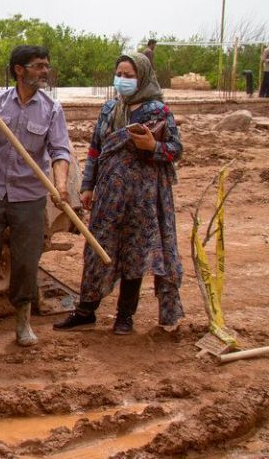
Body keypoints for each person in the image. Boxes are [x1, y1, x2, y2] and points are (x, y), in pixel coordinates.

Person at [53, 52, 184, 334]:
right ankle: (85, 311)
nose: (122, 80)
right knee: (96, 251)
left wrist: (153, 147)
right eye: (120, 74)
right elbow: (95, 149)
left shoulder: (158, 112)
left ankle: (125, 315)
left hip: (143, 197)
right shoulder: (109, 109)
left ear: (143, 78)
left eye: (129, 75)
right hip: (109, 196)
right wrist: (88, 185)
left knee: (135, 255)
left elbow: (175, 150)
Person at [0, 45, 72, 347]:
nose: (45, 71)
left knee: (26, 261)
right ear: (19, 70)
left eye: (46, 66)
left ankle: (23, 323)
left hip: (30, 196)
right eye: (38, 66)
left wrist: (60, 185)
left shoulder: (51, 109)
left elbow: (60, 151)